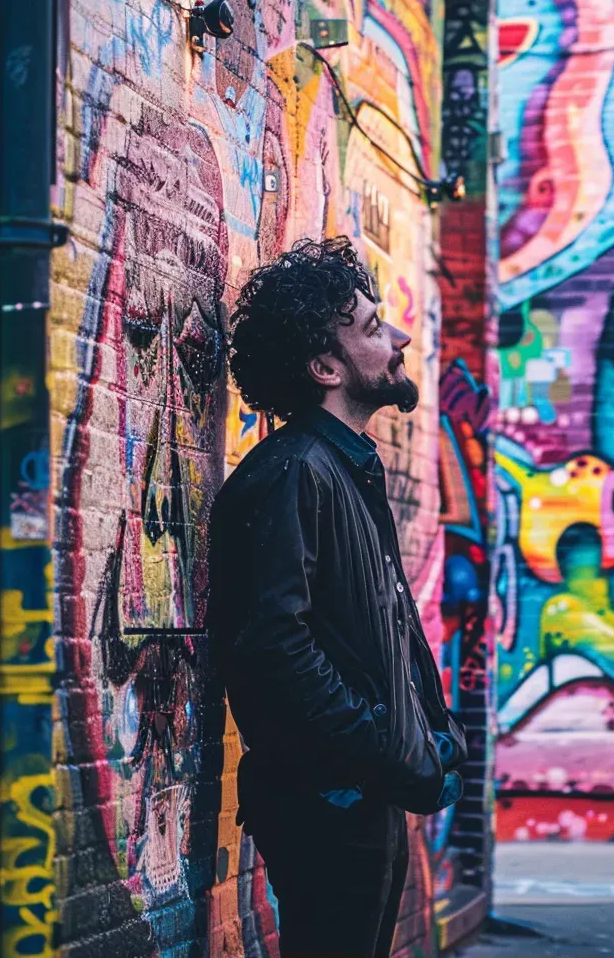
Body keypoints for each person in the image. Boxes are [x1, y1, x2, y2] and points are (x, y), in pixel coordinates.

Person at [207, 236, 467, 958]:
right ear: (325, 367)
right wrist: (378, 746)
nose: (401, 336)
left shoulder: (340, 471)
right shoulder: (295, 475)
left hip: (357, 791)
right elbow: (272, 648)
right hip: (329, 801)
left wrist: (419, 740)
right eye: (373, 327)